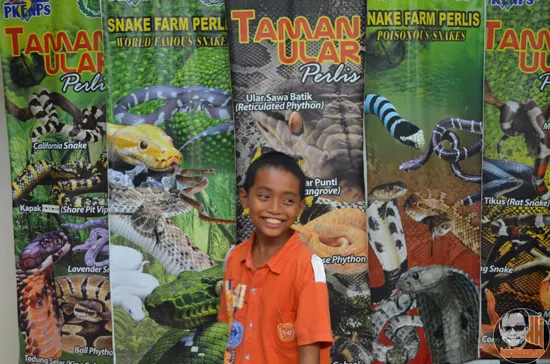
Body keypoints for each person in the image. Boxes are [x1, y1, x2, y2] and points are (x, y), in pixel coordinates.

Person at [218, 151, 333, 364]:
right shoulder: (233, 258)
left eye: (288, 200)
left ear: (300, 207)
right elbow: (227, 332)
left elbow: (311, 348)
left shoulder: (308, 265)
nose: (274, 209)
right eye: (264, 196)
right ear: (245, 198)